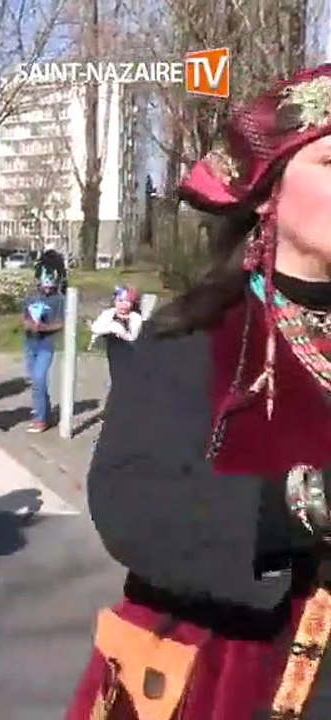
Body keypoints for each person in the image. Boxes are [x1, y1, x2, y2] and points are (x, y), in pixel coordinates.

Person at [66, 65, 331, 719]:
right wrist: (305, 503)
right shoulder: (194, 336)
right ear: (266, 191)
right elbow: (132, 503)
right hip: (230, 675)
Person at [22, 263, 64, 432]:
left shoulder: (60, 299)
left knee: (39, 378)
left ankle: (40, 420)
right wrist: (30, 325)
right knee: (36, 382)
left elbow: (62, 323)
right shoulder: (31, 298)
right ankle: (45, 413)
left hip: (47, 345)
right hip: (30, 343)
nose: (47, 285)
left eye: (51, 281)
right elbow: (24, 318)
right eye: (44, 281)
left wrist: (46, 328)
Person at [88, 285, 144, 363]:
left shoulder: (135, 317)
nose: (123, 305)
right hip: (106, 350)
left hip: (129, 353)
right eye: (120, 301)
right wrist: (113, 327)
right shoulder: (109, 313)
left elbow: (134, 337)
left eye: (128, 302)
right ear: (115, 301)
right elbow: (95, 328)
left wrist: (122, 332)